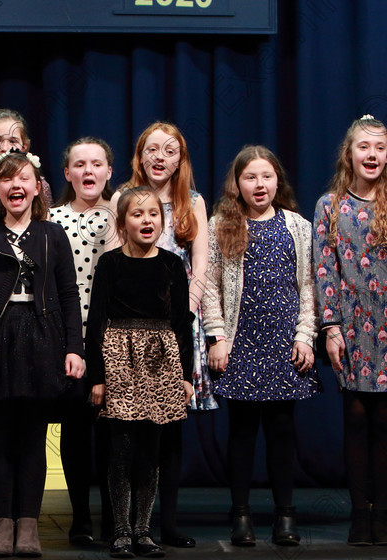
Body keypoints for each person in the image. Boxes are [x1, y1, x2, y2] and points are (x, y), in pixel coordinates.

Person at [0, 149, 84, 557]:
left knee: (33, 438)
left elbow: (69, 294)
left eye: (24, 179)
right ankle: (2, 523)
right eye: (7, 180)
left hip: (41, 336)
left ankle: (28, 524)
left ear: (37, 188)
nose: (16, 186)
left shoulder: (52, 235)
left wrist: (73, 347)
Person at [204, 145, 320, 547]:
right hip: (241, 343)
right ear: (237, 183)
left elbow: (309, 287)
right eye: (250, 177)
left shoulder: (298, 226)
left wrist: (306, 336)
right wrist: (217, 337)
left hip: (282, 343)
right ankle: (240, 515)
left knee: (282, 430)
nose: (259, 184)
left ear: (277, 181)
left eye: (266, 176)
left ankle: (285, 516)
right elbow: (210, 288)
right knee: (241, 432)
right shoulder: (222, 223)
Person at [111, 122, 217, 547]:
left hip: (175, 325)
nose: (160, 157)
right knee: (128, 429)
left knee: (168, 427)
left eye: (169, 150)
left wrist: (182, 316)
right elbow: (113, 259)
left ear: (180, 159)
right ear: (140, 156)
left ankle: (165, 522)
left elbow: (201, 264)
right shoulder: (123, 197)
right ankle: (126, 524)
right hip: (130, 329)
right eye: (152, 149)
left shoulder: (192, 201)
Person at [87, 185, 195, 559]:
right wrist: (97, 376)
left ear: (161, 222)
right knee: (121, 447)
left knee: (151, 448)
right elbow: (97, 319)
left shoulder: (171, 264)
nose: (146, 220)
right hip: (120, 356)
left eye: (152, 214)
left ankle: (143, 530)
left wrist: (186, 376)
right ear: (122, 223)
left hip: (160, 359)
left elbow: (182, 322)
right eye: (137, 214)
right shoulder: (111, 263)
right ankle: (119, 529)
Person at [313, 115, 387, 546]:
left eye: (379, 147)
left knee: (385, 420)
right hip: (353, 325)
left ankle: (384, 513)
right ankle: (361, 514)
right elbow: (325, 269)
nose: (372, 155)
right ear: (350, 153)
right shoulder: (330, 205)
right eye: (364, 147)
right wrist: (331, 326)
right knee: (358, 417)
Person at [48, 136, 115, 544]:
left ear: (109, 171)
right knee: (74, 430)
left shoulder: (121, 214)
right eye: (80, 164)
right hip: (67, 338)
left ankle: (113, 515)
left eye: (96, 164)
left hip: (110, 336)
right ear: (68, 173)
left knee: (112, 431)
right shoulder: (52, 219)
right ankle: (79, 517)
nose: (88, 171)